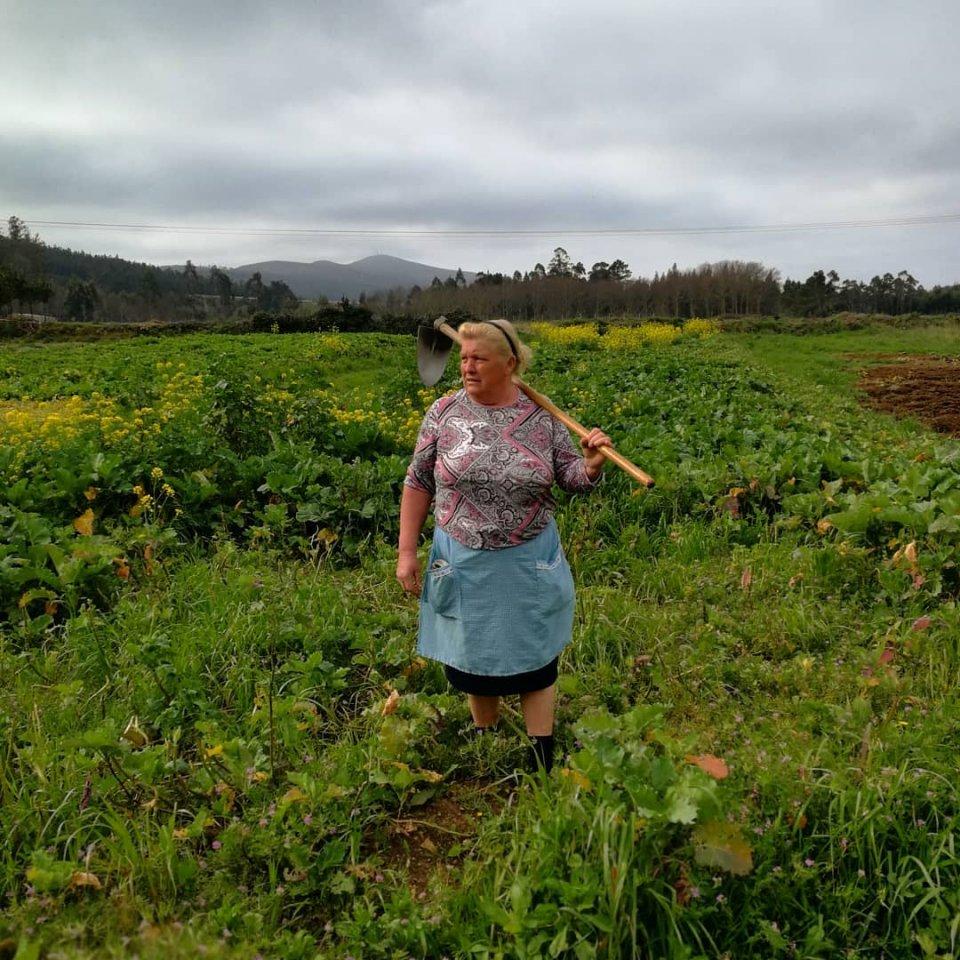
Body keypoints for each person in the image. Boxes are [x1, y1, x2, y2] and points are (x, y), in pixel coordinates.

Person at [396, 318, 610, 772]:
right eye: (464, 358)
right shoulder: (443, 413)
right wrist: (406, 552)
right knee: (472, 655)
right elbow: (418, 481)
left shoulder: (544, 419)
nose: (468, 367)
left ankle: (540, 754)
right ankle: (485, 734)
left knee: (535, 657)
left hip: (527, 557)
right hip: (462, 555)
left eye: (479, 359)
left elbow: (571, 478)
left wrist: (590, 466)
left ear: (510, 364)